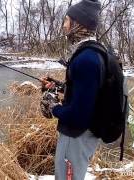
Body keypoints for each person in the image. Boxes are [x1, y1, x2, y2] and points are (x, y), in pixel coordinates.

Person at [40, 0, 106, 179]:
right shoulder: (94, 52)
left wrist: (53, 106)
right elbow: (88, 92)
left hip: (76, 136)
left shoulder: (86, 59)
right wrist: (59, 86)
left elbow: (78, 116)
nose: (63, 26)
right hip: (84, 136)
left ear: (78, 24)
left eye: (67, 21)